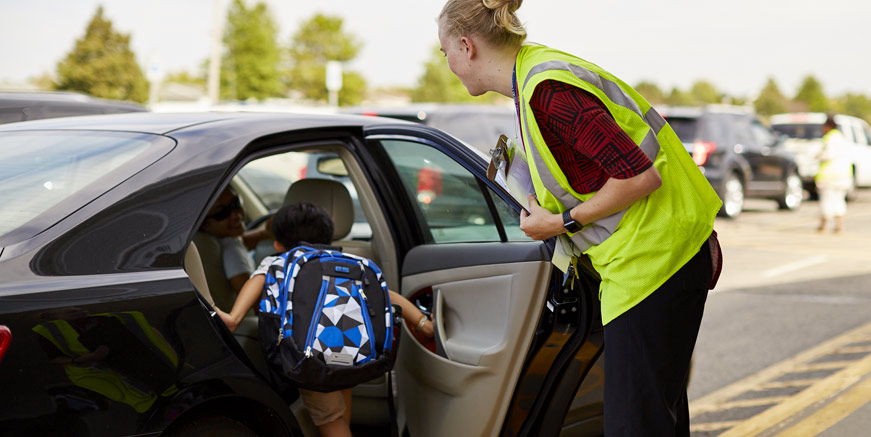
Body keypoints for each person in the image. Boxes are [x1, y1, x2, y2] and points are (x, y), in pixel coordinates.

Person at [437, 1, 722, 434]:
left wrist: (560, 223)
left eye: (446, 53)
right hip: (656, 256)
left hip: (654, 261)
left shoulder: (548, 89)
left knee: (635, 425)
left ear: (466, 45)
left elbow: (639, 176)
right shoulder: (534, 75)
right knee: (654, 420)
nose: (449, 65)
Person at [215, 202, 433, 437]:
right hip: (351, 350)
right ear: (327, 238)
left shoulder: (277, 261)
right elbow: (386, 296)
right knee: (340, 407)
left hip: (312, 358)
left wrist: (234, 317)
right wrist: (423, 323)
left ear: (278, 244)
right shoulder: (345, 261)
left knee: (330, 420)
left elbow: (255, 281)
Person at [198, 187, 273, 294]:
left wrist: (264, 233)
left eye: (236, 203)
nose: (235, 215)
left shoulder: (222, 241)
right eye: (221, 212)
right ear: (205, 224)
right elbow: (252, 297)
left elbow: (243, 240)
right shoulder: (232, 250)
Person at [815, 115, 853, 233]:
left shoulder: (830, 138)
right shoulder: (842, 138)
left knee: (827, 201)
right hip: (843, 175)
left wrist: (818, 156)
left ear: (828, 126)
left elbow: (828, 155)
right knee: (839, 201)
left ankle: (823, 226)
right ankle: (839, 226)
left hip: (830, 176)